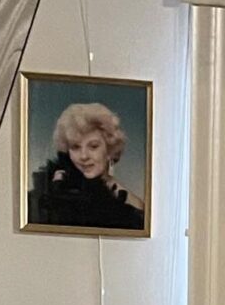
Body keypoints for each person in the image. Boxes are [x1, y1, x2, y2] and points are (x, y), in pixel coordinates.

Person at [30, 99, 145, 232]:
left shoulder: (133, 206)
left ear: (110, 150)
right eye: (75, 147)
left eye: (93, 146)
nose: (84, 156)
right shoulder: (52, 190)